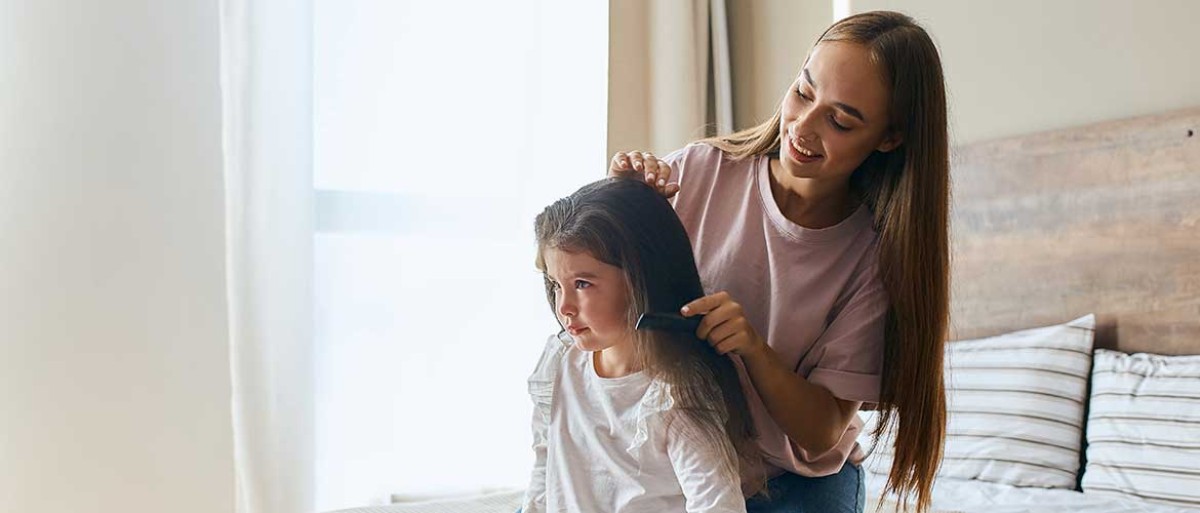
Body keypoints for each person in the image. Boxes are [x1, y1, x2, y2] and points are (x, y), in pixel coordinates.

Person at [608, 11, 950, 513]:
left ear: (889, 138)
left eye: (840, 120)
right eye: (803, 93)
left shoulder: (873, 261)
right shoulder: (700, 172)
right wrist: (619, 205)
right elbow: (591, 293)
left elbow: (822, 432)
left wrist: (752, 348)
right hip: (677, 460)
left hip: (791, 483)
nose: (804, 128)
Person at [521, 177, 767, 513]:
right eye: (555, 284)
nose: (563, 306)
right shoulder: (560, 362)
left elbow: (717, 503)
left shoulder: (675, 391)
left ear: (641, 279)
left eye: (582, 284)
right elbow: (543, 471)